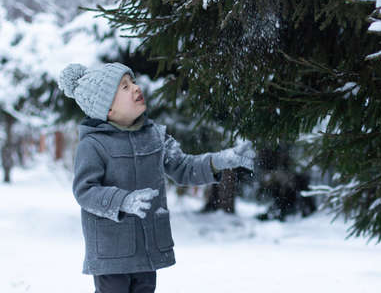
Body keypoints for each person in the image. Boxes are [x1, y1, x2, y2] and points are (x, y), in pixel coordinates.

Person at [58, 62, 255, 293]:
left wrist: (219, 160)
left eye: (132, 81)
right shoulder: (93, 145)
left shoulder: (154, 136)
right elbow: (85, 191)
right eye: (124, 87)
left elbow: (183, 167)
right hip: (111, 253)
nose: (135, 87)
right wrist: (123, 201)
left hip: (147, 249)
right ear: (107, 108)